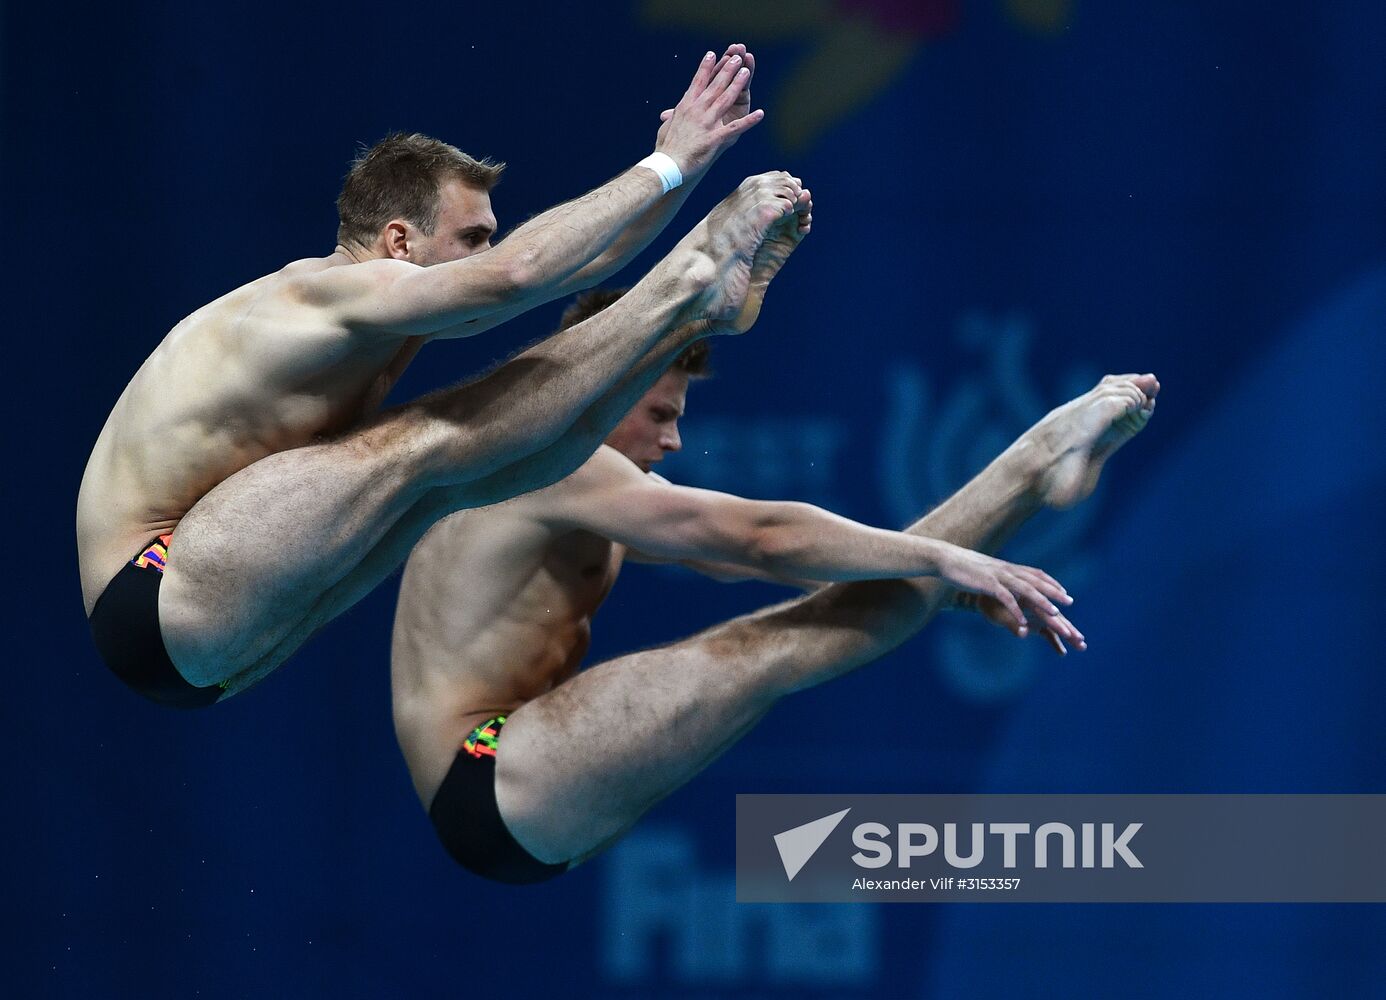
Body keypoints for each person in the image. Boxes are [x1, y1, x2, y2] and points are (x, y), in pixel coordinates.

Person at [77, 44, 803, 708]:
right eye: (472, 238)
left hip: (222, 638)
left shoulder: (391, 311)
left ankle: (694, 310)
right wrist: (663, 166)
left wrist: (687, 161)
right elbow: (519, 271)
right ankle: (694, 285)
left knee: (471, 478)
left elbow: (582, 267)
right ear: (399, 240)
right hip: (155, 585)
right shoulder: (318, 296)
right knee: (428, 437)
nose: (489, 251)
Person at [391, 289, 1160, 883]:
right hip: (486, 772)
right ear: (607, 381)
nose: (674, 438)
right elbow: (761, 538)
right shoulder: (549, 454)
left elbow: (742, 561)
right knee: (759, 650)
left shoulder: (588, 494)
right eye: (659, 412)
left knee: (805, 633)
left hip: (535, 800)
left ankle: (1031, 475)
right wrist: (937, 559)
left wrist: (941, 579)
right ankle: (1030, 463)